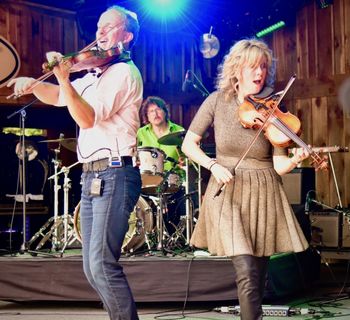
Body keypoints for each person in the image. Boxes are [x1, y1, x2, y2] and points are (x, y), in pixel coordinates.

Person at [8, 5, 143, 320]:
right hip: (92, 176)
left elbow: (86, 116)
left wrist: (65, 77)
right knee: (91, 266)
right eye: (98, 27)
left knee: (102, 265)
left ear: (127, 35)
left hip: (115, 172)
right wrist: (33, 82)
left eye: (108, 27)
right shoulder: (96, 72)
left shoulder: (123, 73)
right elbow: (59, 97)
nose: (99, 33)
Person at [181, 38, 310, 320]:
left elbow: (278, 165)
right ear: (236, 69)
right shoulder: (216, 101)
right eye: (253, 66)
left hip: (264, 191)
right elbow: (188, 144)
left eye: (263, 66)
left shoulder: (272, 108)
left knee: (259, 277)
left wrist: (295, 159)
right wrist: (212, 165)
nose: (259, 72)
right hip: (227, 189)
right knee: (247, 273)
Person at [137, 96, 186, 235]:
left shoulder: (178, 131)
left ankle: (175, 233)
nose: (155, 113)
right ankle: (145, 233)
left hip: (173, 178)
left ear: (165, 112)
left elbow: (188, 157)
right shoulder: (141, 133)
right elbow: (133, 153)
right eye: (151, 111)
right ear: (147, 116)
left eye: (158, 109)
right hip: (148, 179)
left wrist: (185, 161)